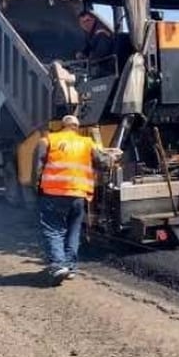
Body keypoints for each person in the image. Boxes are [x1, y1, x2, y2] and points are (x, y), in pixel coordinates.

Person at [34, 115, 120, 285]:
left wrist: (37, 190)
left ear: (62, 126)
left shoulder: (48, 140)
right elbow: (102, 163)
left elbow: (37, 169)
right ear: (77, 127)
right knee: (74, 230)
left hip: (53, 193)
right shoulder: (87, 143)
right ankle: (71, 267)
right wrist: (113, 157)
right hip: (78, 195)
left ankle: (58, 265)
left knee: (54, 229)